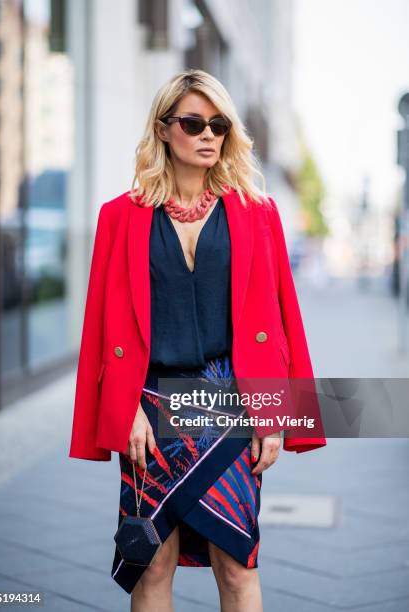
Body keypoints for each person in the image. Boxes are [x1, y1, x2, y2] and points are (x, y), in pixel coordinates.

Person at [69, 68, 327, 612]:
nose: (209, 134)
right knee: (151, 565)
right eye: (194, 123)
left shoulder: (258, 215)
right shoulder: (120, 217)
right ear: (164, 129)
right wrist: (122, 411)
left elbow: (282, 323)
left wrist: (276, 415)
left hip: (229, 402)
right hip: (152, 408)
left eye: (219, 124)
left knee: (236, 564)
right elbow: (101, 331)